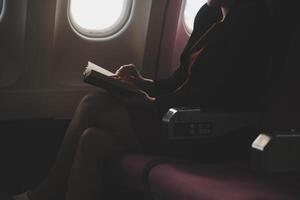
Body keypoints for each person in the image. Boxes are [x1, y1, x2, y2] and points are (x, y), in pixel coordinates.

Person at [12, 0, 272, 199]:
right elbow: (180, 80)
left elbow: (214, 99)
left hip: (206, 132)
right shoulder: (208, 15)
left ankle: (43, 195)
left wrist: (149, 102)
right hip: (176, 119)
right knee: (92, 140)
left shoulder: (252, 26)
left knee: (94, 105)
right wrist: (141, 82)